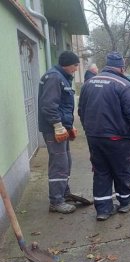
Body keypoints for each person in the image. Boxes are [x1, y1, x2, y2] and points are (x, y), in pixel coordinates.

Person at [78, 51, 130, 221]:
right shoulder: (124, 85)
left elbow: (81, 110)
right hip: (117, 137)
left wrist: (90, 129)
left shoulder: (88, 83)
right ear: (122, 68)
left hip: (94, 136)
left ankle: (103, 209)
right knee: (121, 169)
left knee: (101, 171)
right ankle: (125, 202)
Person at [38, 51, 80, 214]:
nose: (76, 69)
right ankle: (56, 201)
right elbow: (49, 105)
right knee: (59, 165)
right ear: (67, 64)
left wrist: (69, 126)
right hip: (53, 129)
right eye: (75, 65)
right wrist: (57, 125)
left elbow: (63, 105)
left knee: (66, 162)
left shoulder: (61, 77)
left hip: (61, 127)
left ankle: (64, 193)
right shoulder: (54, 77)